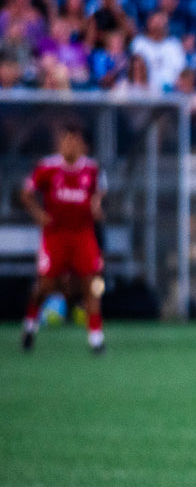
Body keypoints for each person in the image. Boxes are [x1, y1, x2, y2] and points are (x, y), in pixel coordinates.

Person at [20, 124, 107, 355]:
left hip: (83, 234)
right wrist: (39, 214)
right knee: (46, 285)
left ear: (82, 145)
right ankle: (30, 325)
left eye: (74, 141)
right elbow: (26, 193)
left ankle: (96, 339)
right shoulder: (47, 167)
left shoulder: (92, 169)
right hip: (55, 235)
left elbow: (100, 192)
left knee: (92, 284)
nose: (70, 145)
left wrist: (97, 205)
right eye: (66, 141)